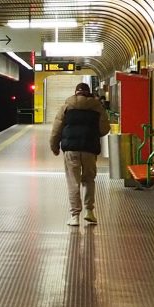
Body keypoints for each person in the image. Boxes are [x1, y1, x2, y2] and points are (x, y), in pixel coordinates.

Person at [48, 81, 111, 226]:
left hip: (71, 149)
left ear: (75, 92)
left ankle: (75, 216)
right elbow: (104, 129)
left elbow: (56, 129)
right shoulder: (97, 107)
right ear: (89, 93)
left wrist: (54, 146)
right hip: (89, 148)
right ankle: (89, 211)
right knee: (89, 180)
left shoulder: (66, 106)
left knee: (73, 182)